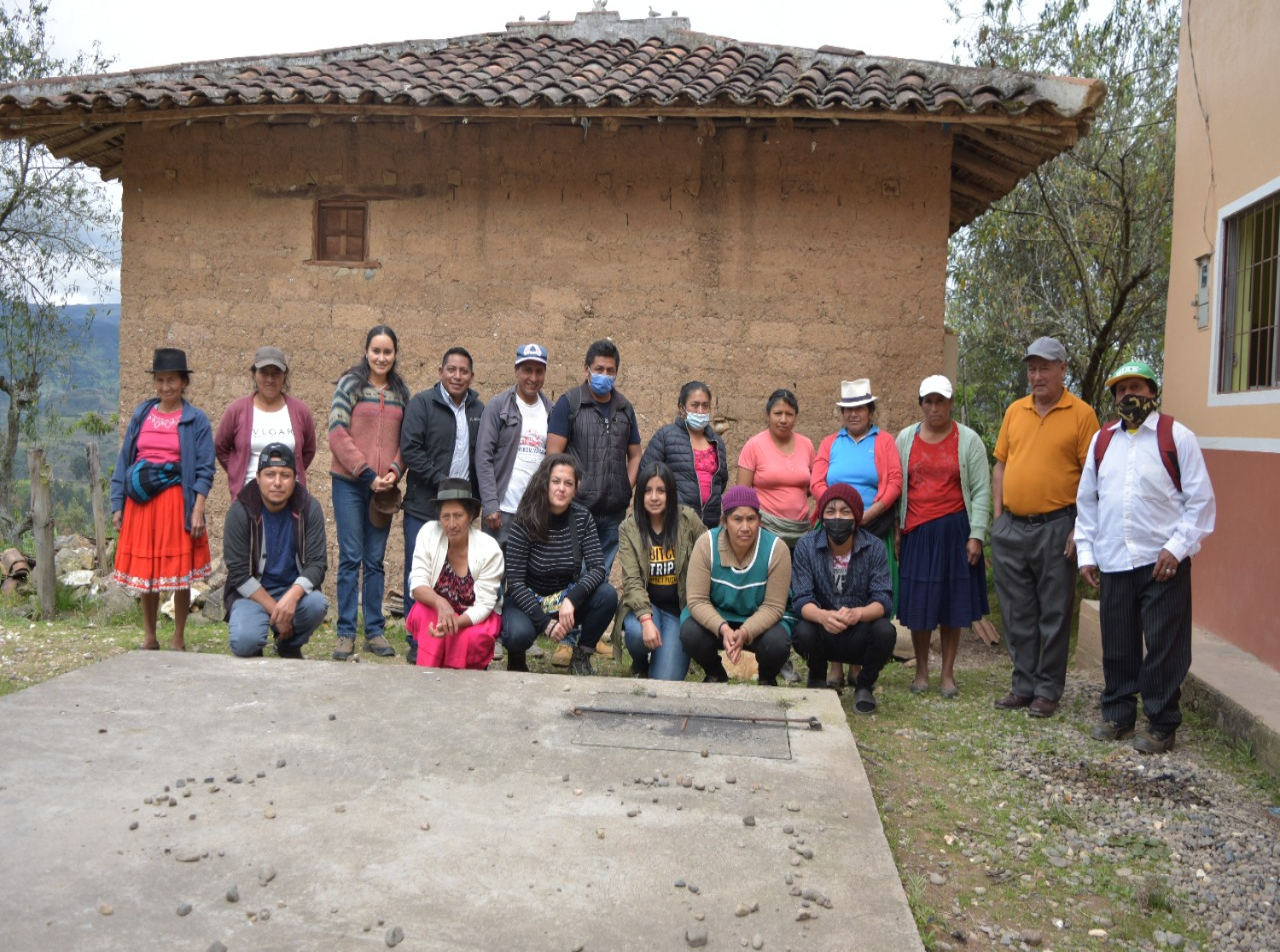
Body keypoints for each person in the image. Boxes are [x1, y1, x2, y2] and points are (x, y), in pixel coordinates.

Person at [1075, 360, 1216, 753]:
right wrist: (1087, 552)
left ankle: (1161, 723)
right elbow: (1087, 501)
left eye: (1136, 388)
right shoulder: (1103, 441)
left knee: (1164, 645)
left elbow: (1201, 501)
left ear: (1153, 392)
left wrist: (1177, 547)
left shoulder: (1177, 437)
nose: (1128, 396)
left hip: (1162, 563)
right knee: (1117, 642)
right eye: (1121, 390)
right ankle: (1118, 714)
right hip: (1116, 559)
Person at [990, 337, 1099, 718]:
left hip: (1057, 527)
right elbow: (1001, 465)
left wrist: (1081, 527)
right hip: (1012, 529)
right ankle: (1023, 685)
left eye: (1045, 368)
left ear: (1063, 369)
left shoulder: (1082, 414)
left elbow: (1092, 476)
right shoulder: (1015, 411)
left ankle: (1048, 691)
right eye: (1032, 369)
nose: (1037, 376)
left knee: (1053, 612)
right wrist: (998, 519)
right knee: (1016, 612)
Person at [111, 348, 215, 652]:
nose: (165, 387)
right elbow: (124, 459)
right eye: (160, 380)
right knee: (148, 574)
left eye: (171, 380)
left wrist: (198, 509)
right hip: (141, 504)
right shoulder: (142, 414)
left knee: (179, 574)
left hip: (175, 503)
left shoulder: (195, 420)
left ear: (184, 382)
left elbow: (205, 469)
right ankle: (149, 636)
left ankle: (178, 637)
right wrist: (118, 504)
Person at [895, 375, 992, 698]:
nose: (934, 408)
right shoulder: (905, 439)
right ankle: (922, 671)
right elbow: (897, 487)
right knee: (920, 606)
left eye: (941, 401)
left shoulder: (969, 441)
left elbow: (980, 491)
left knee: (952, 605)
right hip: (918, 533)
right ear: (921, 404)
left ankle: (947, 674)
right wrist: (897, 528)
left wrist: (976, 534)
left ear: (951, 404)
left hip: (955, 532)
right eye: (928, 401)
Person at [811, 378, 902, 689]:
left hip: (871, 526)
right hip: (833, 524)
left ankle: (858, 663)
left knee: (863, 592)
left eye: (860, 407)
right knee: (831, 590)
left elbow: (893, 482)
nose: (853, 414)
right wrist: (835, 511)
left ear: (871, 410)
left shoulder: (884, 442)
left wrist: (864, 515)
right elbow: (817, 481)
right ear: (841, 413)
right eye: (847, 408)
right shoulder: (829, 443)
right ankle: (834, 664)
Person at [328, 325, 409, 661]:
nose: (381, 357)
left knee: (375, 559)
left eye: (387, 352)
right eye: (376, 351)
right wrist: (365, 473)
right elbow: (336, 432)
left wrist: (392, 472)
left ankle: (374, 630)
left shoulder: (401, 393)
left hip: (383, 489)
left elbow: (408, 441)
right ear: (366, 352)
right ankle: (346, 631)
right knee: (350, 556)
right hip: (349, 482)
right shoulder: (350, 385)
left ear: (394, 355)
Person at [400, 346, 485, 662]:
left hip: (463, 513)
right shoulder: (422, 404)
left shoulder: (479, 410)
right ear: (440, 372)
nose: (457, 376)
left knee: (455, 576)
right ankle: (415, 638)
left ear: (471, 376)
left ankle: (450, 635)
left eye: (464, 371)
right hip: (424, 506)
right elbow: (411, 450)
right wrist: (444, 485)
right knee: (419, 573)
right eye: (452, 370)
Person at [500, 454, 619, 675]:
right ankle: (516, 658)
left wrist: (572, 600)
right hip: (527, 598)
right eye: (556, 481)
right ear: (544, 483)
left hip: (564, 599)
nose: (561, 488)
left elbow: (598, 569)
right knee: (517, 633)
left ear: (576, 489)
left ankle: (581, 656)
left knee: (607, 595)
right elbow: (514, 582)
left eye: (568, 483)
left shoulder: (583, 518)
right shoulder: (524, 520)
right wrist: (545, 623)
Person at [790, 483, 896, 713]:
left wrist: (858, 613)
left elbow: (883, 599)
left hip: (858, 631)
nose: (837, 517)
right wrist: (823, 616)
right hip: (823, 631)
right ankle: (817, 677)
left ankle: (864, 684)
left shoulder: (874, 547)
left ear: (856, 516)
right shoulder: (806, 547)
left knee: (885, 631)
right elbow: (800, 598)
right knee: (802, 630)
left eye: (845, 511)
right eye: (830, 511)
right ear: (821, 516)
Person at [545, 339, 642, 577]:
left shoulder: (625, 409)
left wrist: (625, 488)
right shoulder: (570, 404)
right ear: (586, 369)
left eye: (610, 371)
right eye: (599, 369)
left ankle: (593, 615)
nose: (604, 375)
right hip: (577, 509)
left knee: (601, 574)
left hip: (613, 513)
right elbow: (553, 457)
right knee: (575, 573)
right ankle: (569, 615)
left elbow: (636, 455)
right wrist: (568, 491)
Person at [680, 485, 794, 686]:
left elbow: (774, 607)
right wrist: (723, 628)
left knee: (776, 644)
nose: (745, 527)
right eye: (737, 519)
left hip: (759, 620)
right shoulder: (706, 544)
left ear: (759, 521)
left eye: (751, 519)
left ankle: (767, 679)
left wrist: (745, 632)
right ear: (724, 522)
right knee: (690, 632)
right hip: (717, 617)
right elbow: (697, 600)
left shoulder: (777, 549)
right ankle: (715, 673)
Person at [223, 444, 329, 659]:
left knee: (317, 605)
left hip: (292, 593)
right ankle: (256, 644)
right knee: (245, 643)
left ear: (295, 478)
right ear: (258, 477)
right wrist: (276, 611)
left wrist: (292, 595)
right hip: (251, 596)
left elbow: (317, 564)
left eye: (285, 475)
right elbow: (238, 573)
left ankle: (288, 645)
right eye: (270, 474)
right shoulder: (241, 510)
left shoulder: (308, 507)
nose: (278, 482)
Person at [617, 462, 708, 680]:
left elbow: (709, 554)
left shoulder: (688, 520)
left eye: (661, 490)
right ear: (640, 495)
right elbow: (631, 581)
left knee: (664, 683)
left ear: (671, 493)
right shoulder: (629, 528)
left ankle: (659, 662)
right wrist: (646, 620)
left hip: (678, 611)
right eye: (647, 491)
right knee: (638, 634)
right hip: (646, 607)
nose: (654, 497)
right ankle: (640, 664)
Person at [405, 478, 505, 670]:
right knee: (427, 617)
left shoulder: (489, 549)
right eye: (446, 516)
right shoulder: (428, 534)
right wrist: (440, 603)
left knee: (470, 637)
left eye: (458, 515)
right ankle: (428, 673)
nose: (452, 524)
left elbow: (485, 604)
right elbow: (417, 584)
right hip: (437, 611)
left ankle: (462, 684)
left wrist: (455, 623)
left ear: (471, 516)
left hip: (474, 615)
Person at [475, 343, 552, 546]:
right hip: (501, 512)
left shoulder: (550, 411)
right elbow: (483, 457)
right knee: (494, 575)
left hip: (534, 513)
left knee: (528, 577)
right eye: (527, 370)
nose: (533, 378)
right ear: (516, 370)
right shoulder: (498, 406)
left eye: (539, 371)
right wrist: (491, 504)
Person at [214, 345, 317, 492]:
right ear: (254, 375)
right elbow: (221, 447)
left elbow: (308, 450)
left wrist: (288, 475)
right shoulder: (237, 410)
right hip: (248, 496)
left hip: (290, 496)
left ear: (284, 376)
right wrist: (237, 470)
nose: (270, 379)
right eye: (264, 373)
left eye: (276, 374)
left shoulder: (300, 411)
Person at [639, 381, 729, 529]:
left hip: (708, 525)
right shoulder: (666, 436)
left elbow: (721, 481)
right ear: (682, 408)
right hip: (674, 523)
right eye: (695, 405)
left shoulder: (717, 443)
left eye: (705, 406)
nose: (700, 411)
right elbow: (645, 474)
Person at [737, 389, 815, 548]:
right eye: (778, 413)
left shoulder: (806, 445)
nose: (783, 419)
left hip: (800, 531)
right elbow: (743, 492)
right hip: (766, 530)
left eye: (789, 414)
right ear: (768, 415)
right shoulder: (754, 445)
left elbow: (812, 485)